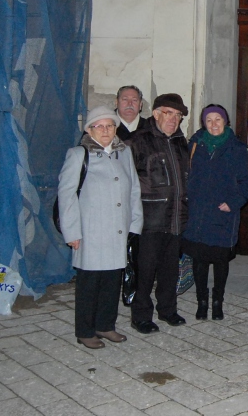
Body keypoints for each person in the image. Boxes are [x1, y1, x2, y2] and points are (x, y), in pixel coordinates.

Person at [58, 106, 143, 349]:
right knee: (89, 283)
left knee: (112, 281)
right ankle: (85, 330)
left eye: (110, 126)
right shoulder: (78, 155)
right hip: (91, 232)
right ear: (89, 129)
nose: (105, 131)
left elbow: (134, 189)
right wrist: (72, 232)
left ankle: (105, 325)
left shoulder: (124, 153)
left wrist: (135, 223)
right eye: (100, 126)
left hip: (117, 230)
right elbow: (66, 196)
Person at [182, 105, 248, 321]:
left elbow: (245, 182)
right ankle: (202, 301)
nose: (214, 124)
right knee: (200, 259)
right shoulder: (195, 145)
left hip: (223, 213)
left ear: (226, 121)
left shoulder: (237, 148)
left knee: (221, 260)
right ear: (204, 123)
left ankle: (217, 301)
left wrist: (234, 203)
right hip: (198, 212)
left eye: (218, 119)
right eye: (209, 120)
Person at [126, 93, 190, 334]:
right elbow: (126, 181)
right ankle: (141, 315)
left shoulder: (180, 141)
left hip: (175, 217)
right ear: (155, 113)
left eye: (178, 115)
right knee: (145, 271)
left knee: (169, 269)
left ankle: (168, 310)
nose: (174, 119)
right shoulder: (138, 141)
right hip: (149, 219)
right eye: (168, 113)